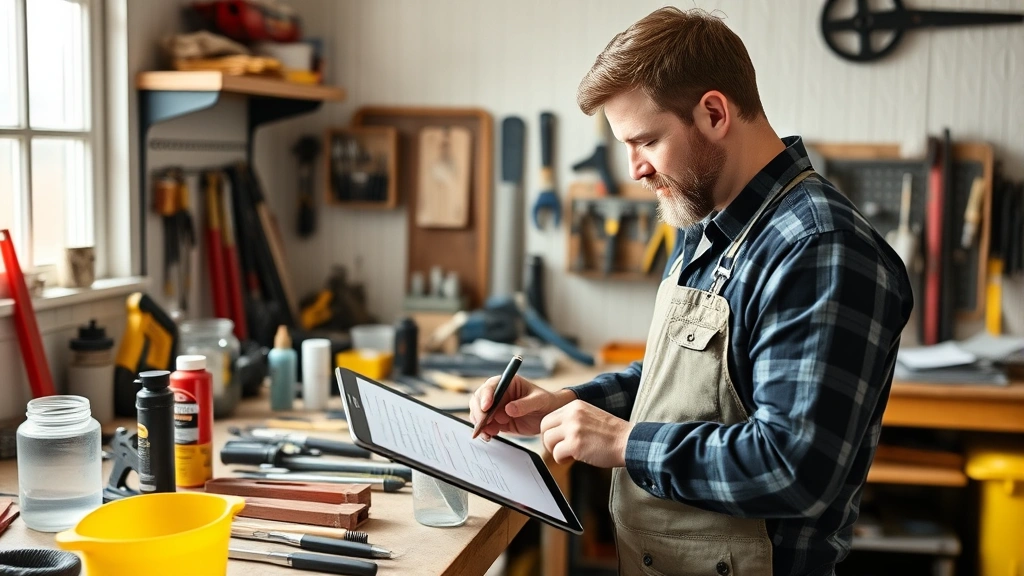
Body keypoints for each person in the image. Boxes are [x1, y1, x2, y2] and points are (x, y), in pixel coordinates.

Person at [470, 7, 914, 576]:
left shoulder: (820, 249)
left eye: (646, 141)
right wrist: (570, 405)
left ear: (712, 113)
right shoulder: (706, 224)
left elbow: (791, 468)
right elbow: (682, 381)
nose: (634, 170)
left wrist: (626, 443)